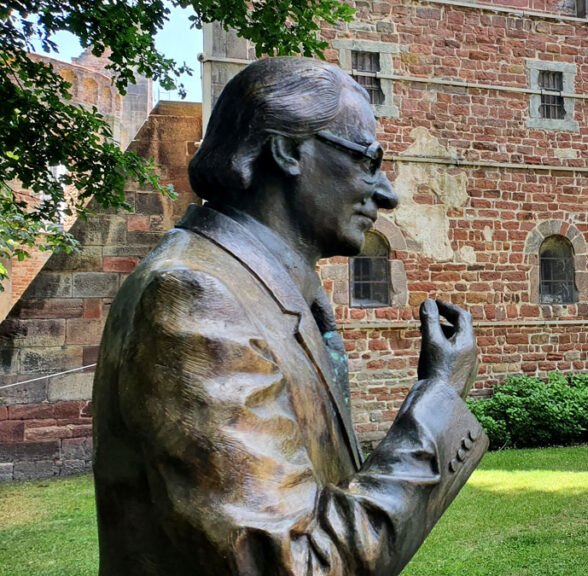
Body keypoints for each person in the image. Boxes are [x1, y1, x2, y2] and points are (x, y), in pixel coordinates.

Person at [92, 57, 487, 576]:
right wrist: (439, 398)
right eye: (368, 160)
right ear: (286, 151)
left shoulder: (258, 289)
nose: (387, 193)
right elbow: (299, 563)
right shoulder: (197, 295)